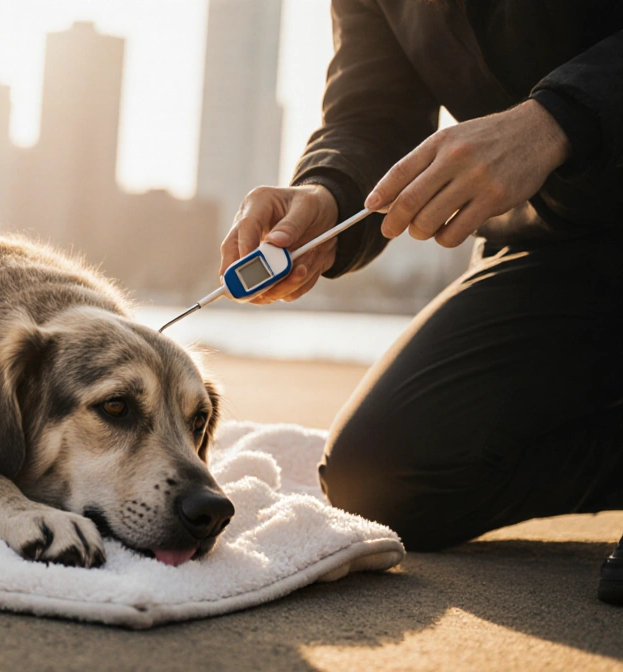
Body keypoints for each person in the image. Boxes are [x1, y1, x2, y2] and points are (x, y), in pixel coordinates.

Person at [220, 0, 622, 604]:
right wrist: (326, 190)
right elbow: (372, 110)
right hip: (557, 240)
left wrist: (556, 119)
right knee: (383, 475)